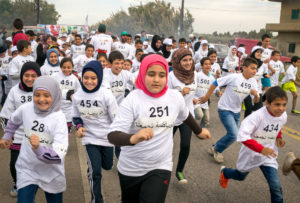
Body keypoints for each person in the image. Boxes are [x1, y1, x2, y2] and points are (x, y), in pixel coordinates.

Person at [107, 54, 210, 203]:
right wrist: (133, 138)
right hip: (131, 168)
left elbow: (185, 114)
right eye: (151, 74)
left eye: (161, 75)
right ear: (143, 74)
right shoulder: (132, 100)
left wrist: (199, 131)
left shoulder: (174, 97)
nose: (156, 79)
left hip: (160, 166)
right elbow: (112, 135)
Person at [0, 75, 69, 203]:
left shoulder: (59, 118)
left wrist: (38, 149)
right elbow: (13, 120)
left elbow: (59, 154)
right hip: (28, 168)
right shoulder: (26, 108)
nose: (41, 99)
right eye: (37, 95)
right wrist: (7, 135)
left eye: (46, 95)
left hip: (51, 172)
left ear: (54, 95)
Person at [219, 86, 287, 203]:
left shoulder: (282, 116)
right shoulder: (256, 117)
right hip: (251, 153)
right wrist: (261, 149)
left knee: (276, 187)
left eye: (284, 104)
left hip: (268, 155)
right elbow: (243, 136)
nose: (281, 108)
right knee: (240, 176)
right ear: (267, 103)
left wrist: (279, 136)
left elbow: (277, 126)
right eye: (277, 104)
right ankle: (225, 173)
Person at [72, 60, 118, 203]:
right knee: (95, 172)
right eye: (86, 78)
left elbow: (117, 118)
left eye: (93, 78)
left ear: (99, 78)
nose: (89, 81)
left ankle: (102, 164)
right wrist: (79, 127)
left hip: (107, 138)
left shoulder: (106, 95)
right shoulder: (77, 96)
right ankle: (96, 199)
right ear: (81, 77)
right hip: (90, 138)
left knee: (108, 166)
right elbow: (75, 117)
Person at [200, 58, 260, 163]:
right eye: (252, 68)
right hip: (225, 108)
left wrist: (255, 95)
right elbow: (215, 82)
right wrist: (206, 96)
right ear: (244, 68)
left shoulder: (253, 82)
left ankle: (215, 147)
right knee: (234, 134)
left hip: (236, 111)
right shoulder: (234, 77)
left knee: (233, 135)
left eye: (256, 69)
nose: (255, 71)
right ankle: (217, 150)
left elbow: (256, 101)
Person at [0, 62, 41, 197]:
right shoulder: (14, 91)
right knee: (14, 164)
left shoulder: (43, 90)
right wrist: (8, 135)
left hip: (38, 135)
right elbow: (6, 114)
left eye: (33, 76)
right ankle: (17, 182)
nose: (29, 79)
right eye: (26, 75)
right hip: (18, 135)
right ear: (22, 76)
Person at [168, 48, 202, 183]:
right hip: (171, 116)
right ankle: (161, 167)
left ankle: (179, 171)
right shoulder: (171, 77)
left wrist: (194, 100)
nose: (188, 63)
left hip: (187, 115)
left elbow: (196, 94)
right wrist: (180, 94)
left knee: (186, 145)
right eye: (184, 60)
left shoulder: (195, 75)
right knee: (166, 145)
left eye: (190, 59)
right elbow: (165, 97)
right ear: (177, 61)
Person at [53, 58, 80, 134]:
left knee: (66, 132)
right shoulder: (55, 76)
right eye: (64, 67)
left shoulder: (75, 79)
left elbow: (78, 93)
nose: (66, 69)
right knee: (57, 131)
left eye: (69, 67)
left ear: (72, 67)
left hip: (69, 111)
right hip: (57, 109)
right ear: (60, 67)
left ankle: (64, 145)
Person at [243, 46, 270, 118]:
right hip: (247, 88)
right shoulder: (248, 63)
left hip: (258, 88)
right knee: (248, 109)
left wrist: (266, 76)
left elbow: (264, 74)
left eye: (261, 52)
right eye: (257, 52)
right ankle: (245, 125)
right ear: (253, 53)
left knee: (259, 108)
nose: (259, 54)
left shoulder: (263, 65)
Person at [194, 57, 217, 127]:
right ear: (201, 66)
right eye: (206, 64)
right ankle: (188, 116)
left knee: (206, 120)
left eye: (209, 64)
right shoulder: (197, 75)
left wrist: (218, 92)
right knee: (199, 115)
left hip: (205, 101)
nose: (208, 66)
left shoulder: (212, 78)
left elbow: (214, 88)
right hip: (196, 99)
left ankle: (201, 131)